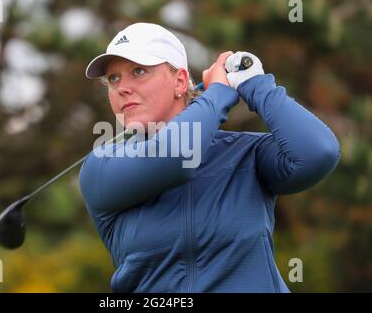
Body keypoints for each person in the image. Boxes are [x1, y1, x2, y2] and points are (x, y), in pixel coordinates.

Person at [79, 22, 340, 292]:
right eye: (113, 78)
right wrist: (218, 92)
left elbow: (318, 152)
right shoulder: (101, 166)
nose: (123, 87)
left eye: (138, 71)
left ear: (180, 81)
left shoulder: (244, 154)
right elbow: (176, 156)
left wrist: (257, 86)